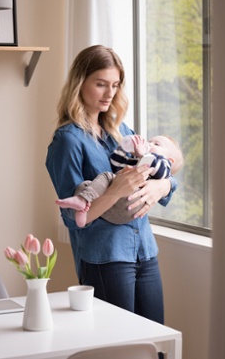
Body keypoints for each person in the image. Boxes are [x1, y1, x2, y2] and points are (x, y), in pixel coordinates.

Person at [46, 45, 177, 330]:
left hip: (144, 250)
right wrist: (115, 190)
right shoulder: (67, 141)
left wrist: (162, 186)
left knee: (155, 341)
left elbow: (162, 166)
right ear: (80, 84)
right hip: (106, 258)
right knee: (119, 346)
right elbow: (74, 218)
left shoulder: (122, 131)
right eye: (101, 84)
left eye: (115, 85)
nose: (110, 93)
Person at [56, 134, 184, 227]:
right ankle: (83, 210)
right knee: (85, 185)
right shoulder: (136, 158)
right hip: (116, 210)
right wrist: (124, 149)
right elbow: (115, 164)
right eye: (150, 141)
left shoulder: (164, 163)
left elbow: (161, 171)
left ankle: (82, 201)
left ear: (170, 160)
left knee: (107, 176)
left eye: (156, 144)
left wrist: (164, 184)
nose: (149, 144)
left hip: (131, 203)